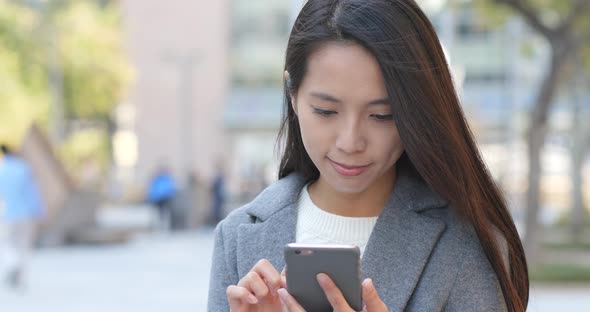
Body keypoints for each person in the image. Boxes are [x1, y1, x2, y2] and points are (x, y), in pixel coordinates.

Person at [208, 1, 529, 311]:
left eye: (382, 115)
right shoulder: (237, 237)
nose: (350, 142)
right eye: (326, 111)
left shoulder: (464, 244)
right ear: (292, 96)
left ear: (415, 112)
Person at [0, 144, 46, 289]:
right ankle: (21, 277)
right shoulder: (23, 169)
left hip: (8, 214)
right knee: (24, 246)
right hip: (26, 214)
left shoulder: (2, 171)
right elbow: (32, 192)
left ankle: (13, 264)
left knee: (7, 243)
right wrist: (40, 211)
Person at [146, 166, 178, 231]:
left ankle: (163, 227)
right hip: (159, 199)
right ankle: (159, 226)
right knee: (159, 214)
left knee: (164, 214)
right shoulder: (158, 179)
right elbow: (153, 189)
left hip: (164, 199)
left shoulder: (165, 179)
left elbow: (171, 189)